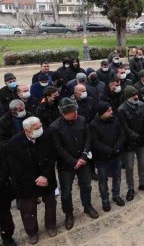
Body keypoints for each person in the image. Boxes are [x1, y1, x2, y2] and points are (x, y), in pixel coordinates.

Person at [6, 117, 57, 244]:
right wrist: (35, 179)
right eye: (37, 128)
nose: (40, 129)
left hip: (47, 178)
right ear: (27, 130)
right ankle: (32, 232)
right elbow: (15, 168)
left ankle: (51, 225)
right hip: (26, 182)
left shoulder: (47, 135)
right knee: (28, 209)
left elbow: (52, 156)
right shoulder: (13, 143)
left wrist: (45, 175)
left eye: (40, 126)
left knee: (51, 204)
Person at [50, 98, 98, 230]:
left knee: (86, 186)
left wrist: (83, 156)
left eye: (76, 110)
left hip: (83, 162)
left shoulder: (82, 120)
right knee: (66, 191)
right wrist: (73, 161)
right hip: (66, 165)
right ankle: (68, 213)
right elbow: (58, 148)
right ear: (64, 113)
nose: (76, 113)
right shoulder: (55, 127)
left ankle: (87, 206)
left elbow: (88, 137)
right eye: (72, 112)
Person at [117, 86, 144, 201]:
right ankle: (130, 188)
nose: (136, 96)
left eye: (136, 94)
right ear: (128, 96)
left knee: (142, 163)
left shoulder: (142, 105)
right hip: (130, 143)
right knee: (129, 167)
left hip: (142, 140)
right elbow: (125, 127)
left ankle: (142, 183)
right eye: (133, 95)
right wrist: (137, 137)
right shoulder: (121, 109)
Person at [90, 102, 126, 212]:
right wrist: (110, 150)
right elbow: (95, 143)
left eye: (111, 110)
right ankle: (105, 201)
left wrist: (117, 148)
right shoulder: (93, 125)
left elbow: (122, 134)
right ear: (102, 113)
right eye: (108, 111)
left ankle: (116, 195)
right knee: (103, 180)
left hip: (116, 155)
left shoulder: (115, 119)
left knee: (117, 177)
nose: (111, 112)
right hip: (103, 159)